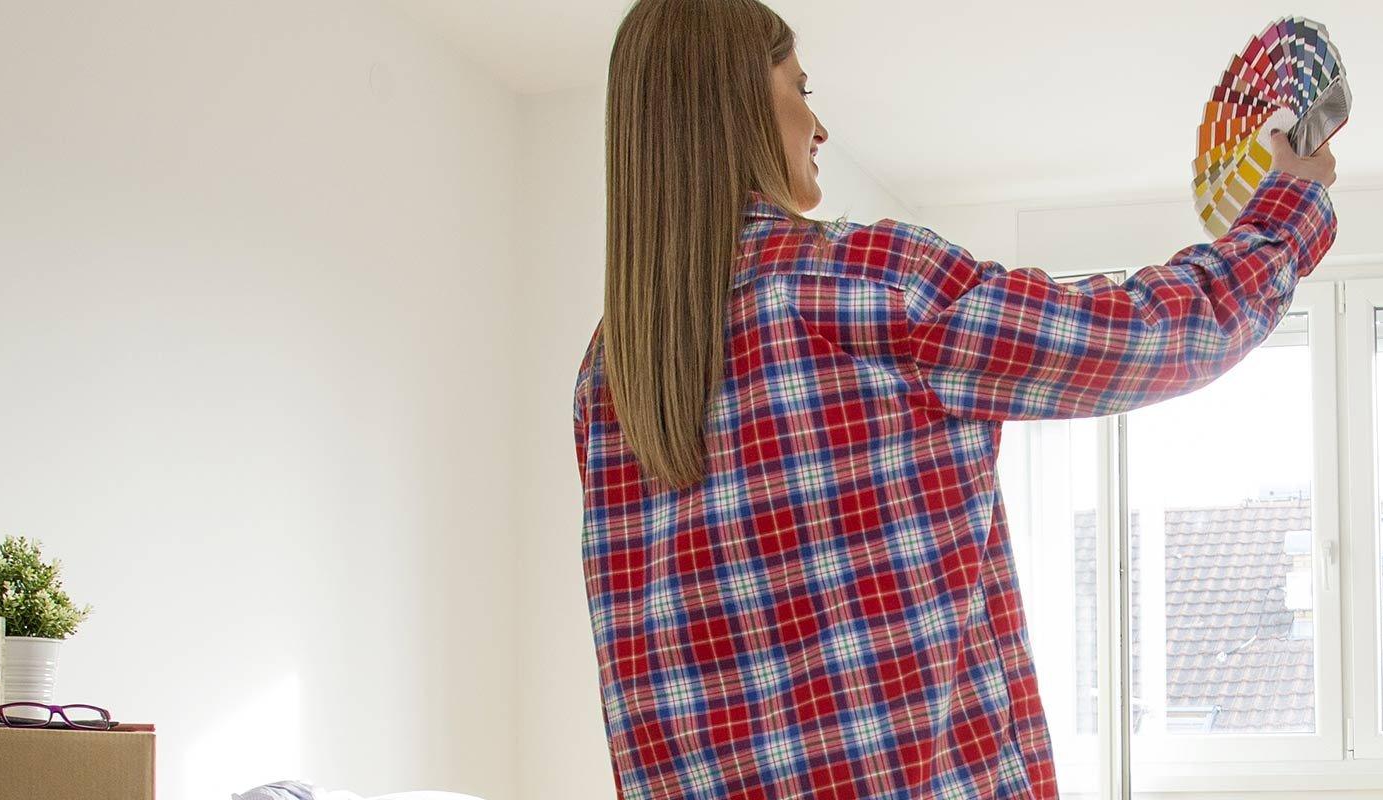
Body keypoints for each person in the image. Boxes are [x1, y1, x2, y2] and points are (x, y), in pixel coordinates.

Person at [570, 1, 1339, 796]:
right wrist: (1285, 212)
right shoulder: (861, 281)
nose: (817, 123)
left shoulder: (608, 377)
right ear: (733, 100)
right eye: (798, 85)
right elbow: (1140, 337)